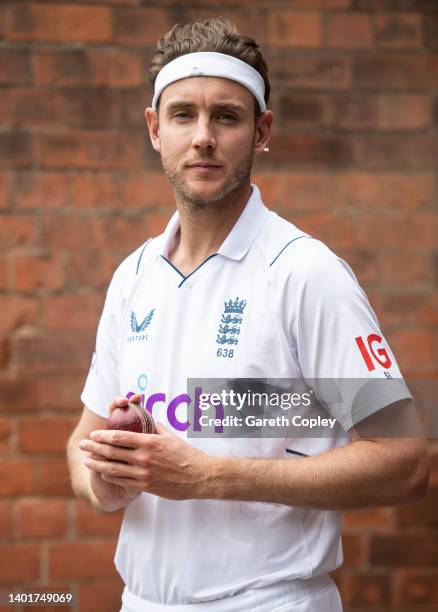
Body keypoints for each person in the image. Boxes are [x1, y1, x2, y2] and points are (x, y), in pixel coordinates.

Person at [67, 18, 430, 612]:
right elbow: (82, 443)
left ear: (261, 131)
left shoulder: (304, 274)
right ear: (155, 129)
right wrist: (106, 480)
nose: (203, 137)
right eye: (183, 115)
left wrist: (211, 477)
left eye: (226, 117)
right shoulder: (133, 277)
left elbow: (404, 462)